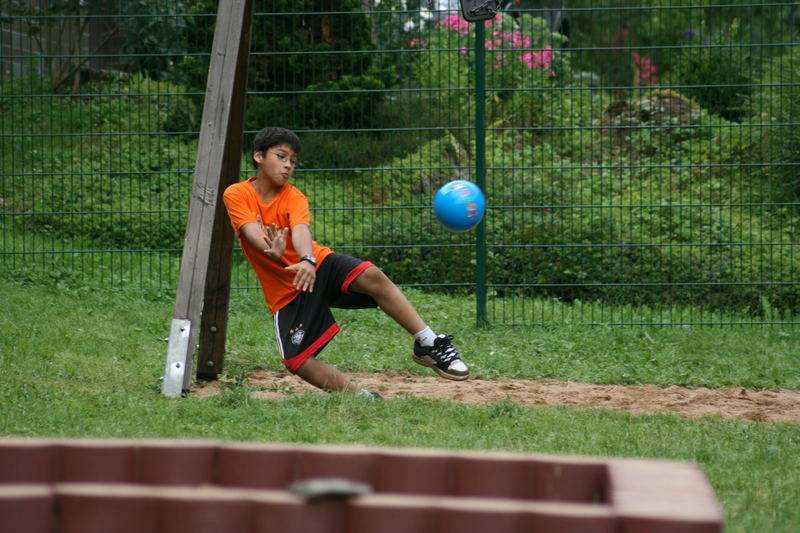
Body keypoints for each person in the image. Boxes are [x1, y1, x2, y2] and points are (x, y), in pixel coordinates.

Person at [222, 127, 469, 396]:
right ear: (259, 156)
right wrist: (270, 247)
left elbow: (302, 230)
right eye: (281, 157)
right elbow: (249, 230)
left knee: (371, 274)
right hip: (287, 291)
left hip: (317, 266)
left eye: (292, 161)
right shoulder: (236, 193)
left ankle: (428, 343)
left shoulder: (293, 196)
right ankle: (362, 398)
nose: (288, 165)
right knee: (297, 362)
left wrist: (307, 259)